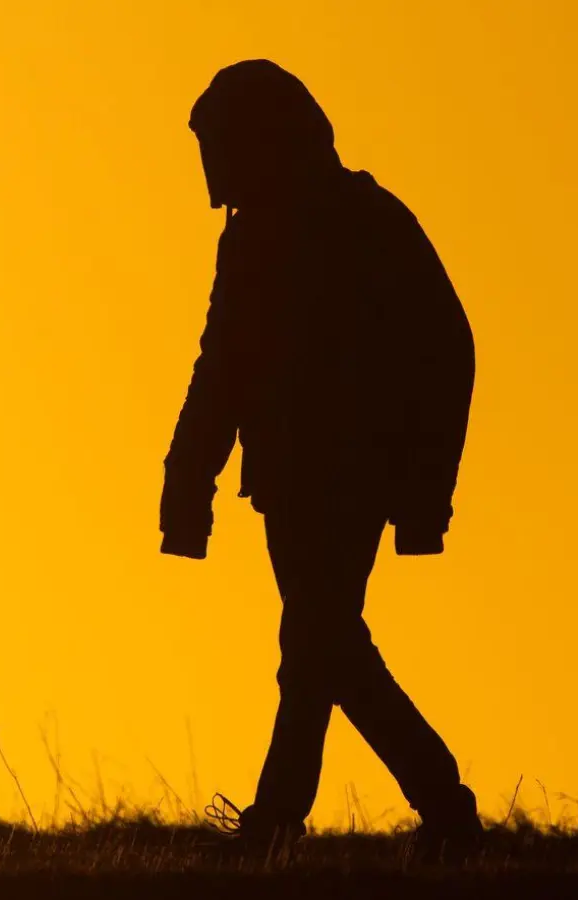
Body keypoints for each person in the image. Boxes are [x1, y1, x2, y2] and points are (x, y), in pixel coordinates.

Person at [158, 59, 482, 858]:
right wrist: (186, 484)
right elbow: (223, 363)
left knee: (314, 644)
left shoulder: (367, 222)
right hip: (284, 484)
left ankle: (285, 818)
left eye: (225, 149)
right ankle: (438, 804)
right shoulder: (251, 235)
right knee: (326, 648)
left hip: (355, 478)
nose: (217, 175)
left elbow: (447, 353)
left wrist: (423, 494)